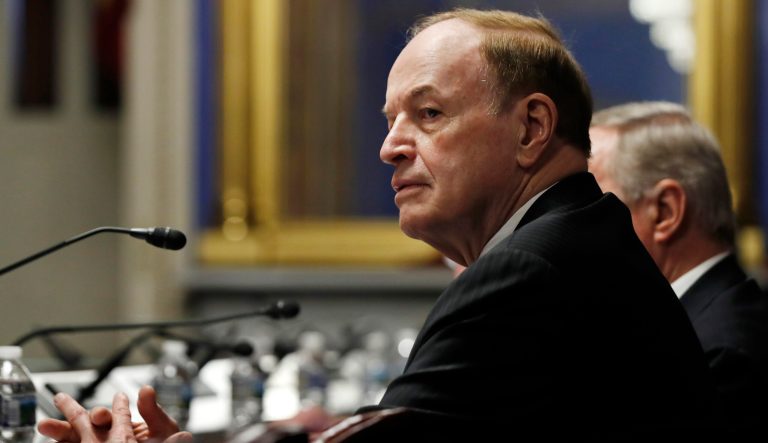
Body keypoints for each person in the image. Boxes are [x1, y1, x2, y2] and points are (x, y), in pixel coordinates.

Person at [39, 8, 723, 442]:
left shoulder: (534, 269)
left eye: (428, 114)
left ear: (532, 128)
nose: (390, 146)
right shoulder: (579, 239)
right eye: (389, 119)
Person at [589, 101, 768, 434]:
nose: (568, 228)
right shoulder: (689, 324)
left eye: (588, 205)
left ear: (665, 211)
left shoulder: (719, 356)